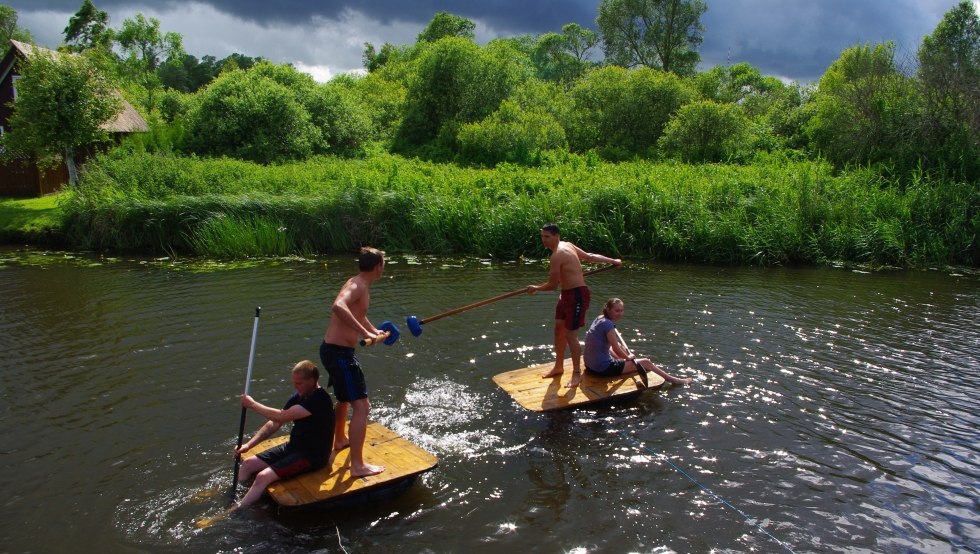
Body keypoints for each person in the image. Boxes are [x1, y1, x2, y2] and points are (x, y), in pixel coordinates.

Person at [527, 223, 622, 388]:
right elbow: (589, 257)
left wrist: (536, 288)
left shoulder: (558, 254)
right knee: (558, 329)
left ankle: (577, 374)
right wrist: (612, 260)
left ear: (557, 236)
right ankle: (558, 366)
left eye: (547, 236)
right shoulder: (566, 245)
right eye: (542, 236)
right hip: (565, 295)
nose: (544, 240)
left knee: (571, 335)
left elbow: (552, 285)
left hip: (577, 295)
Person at [319, 246, 386, 477]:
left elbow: (357, 313)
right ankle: (357, 466)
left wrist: (372, 329)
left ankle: (339, 440)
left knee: (345, 398)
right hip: (338, 353)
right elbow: (338, 307)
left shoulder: (359, 283)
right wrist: (364, 334)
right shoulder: (358, 285)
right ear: (378, 267)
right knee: (362, 406)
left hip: (336, 351)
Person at [234, 360, 335, 509]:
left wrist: (252, 405)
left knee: (262, 477)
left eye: (299, 383)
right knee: (248, 464)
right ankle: (234, 494)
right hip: (293, 447)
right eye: (294, 383)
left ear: (312, 381)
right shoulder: (300, 396)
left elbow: (281, 417)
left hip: (311, 456)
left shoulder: (320, 401)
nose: (295, 386)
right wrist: (248, 445)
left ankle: (236, 510)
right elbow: (273, 424)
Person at [583, 298, 692, 386]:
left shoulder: (599, 318)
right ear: (608, 310)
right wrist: (628, 357)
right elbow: (616, 349)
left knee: (619, 346)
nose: (620, 313)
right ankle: (675, 380)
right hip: (602, 369)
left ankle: (624, 363)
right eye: (617, 310)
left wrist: (624, 354)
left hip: (590, 365)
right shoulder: (608, 325)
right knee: (646, 362)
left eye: (621, 310)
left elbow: (615, 346)